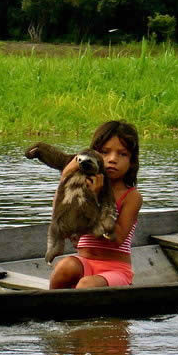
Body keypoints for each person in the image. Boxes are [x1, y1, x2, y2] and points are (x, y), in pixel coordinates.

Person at [48, 120, 143, 289]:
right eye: (105, 152)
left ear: (132, 162)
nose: (112, 159)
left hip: (116, 269)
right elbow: (60, 210)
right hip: (84, 262)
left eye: (122, 154)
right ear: (94, 156)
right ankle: (52, 310)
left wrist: (97, 197)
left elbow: (118, 238)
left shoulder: (131, 197)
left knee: (86, 285)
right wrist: (66, 178)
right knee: (64, 267)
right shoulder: (83, 186)